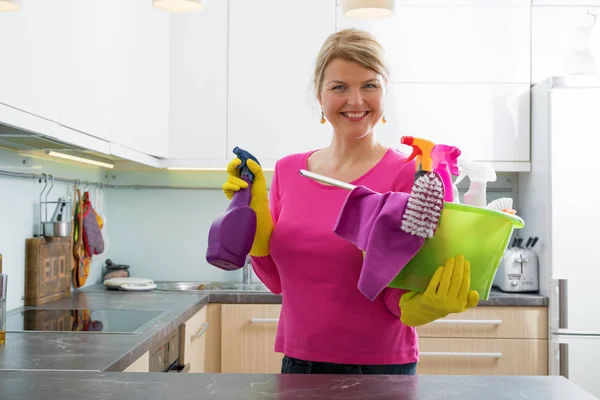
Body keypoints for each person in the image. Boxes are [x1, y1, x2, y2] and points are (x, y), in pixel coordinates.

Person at [221, 28, 479, 375]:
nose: (355, 101)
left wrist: (427, 304)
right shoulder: (288, 170)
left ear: (385, 91)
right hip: (299, 362)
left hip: (379, 369)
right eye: (339, 87)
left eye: (369, 85)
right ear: (320, 95)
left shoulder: (411, 175)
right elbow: (278, 280)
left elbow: (404, 290)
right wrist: (251, 214)